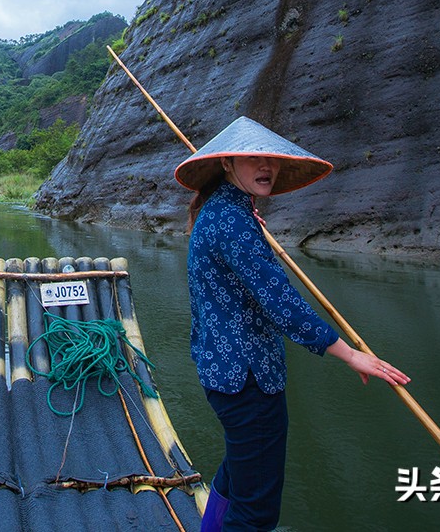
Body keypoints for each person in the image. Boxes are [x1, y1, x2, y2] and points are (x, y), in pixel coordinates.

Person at [176, 116, 410, 532]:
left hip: (224, 374)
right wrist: (349, 354)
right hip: (249, 379)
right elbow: (281, 305)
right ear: (228, 163)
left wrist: (251, 225)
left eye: (272, 159)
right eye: (255, 159)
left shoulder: (224, 211)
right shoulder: (232, 220)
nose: (267, 166)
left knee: (238, 473)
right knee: (256, 510)